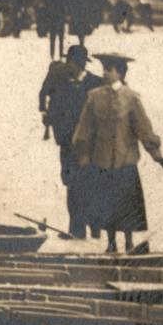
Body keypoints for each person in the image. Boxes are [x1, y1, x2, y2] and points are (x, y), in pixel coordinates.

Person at [71, 54, 163, 254]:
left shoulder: (131, 98)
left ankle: (129, 241)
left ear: (120, 73)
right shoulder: (93, 96)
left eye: (109, 69)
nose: (104, 73)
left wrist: (156, 154)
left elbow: (143, 128)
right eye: (104, 68)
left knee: (127, 205)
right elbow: (84, 129)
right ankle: (111, 242)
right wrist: (83, 157)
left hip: (126, 160)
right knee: (107, 204)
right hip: (102, 160)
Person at [39, 45, 104, 237]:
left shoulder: (94, 83)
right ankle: (77, 228)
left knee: (90, 182)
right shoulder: (58, 77)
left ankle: (94, 224)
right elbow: (43, 93)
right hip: (66, 142)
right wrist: (45, 112)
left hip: (90, 144)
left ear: (81, 64)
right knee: (71, 183)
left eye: (72, 63)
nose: (68, 67)